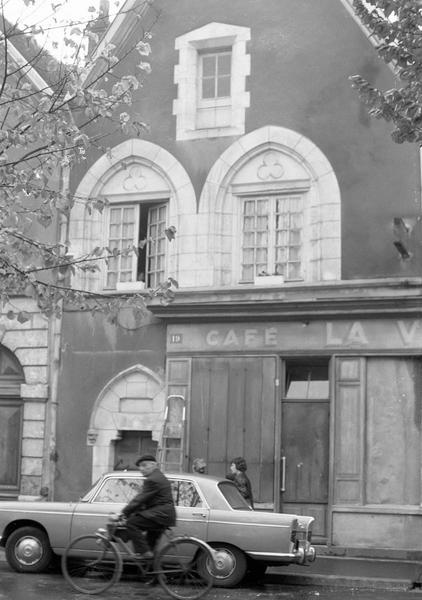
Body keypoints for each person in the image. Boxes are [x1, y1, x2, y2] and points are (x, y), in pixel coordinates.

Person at [121, 454, 176, 558]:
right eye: (140, 466)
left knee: (132, 523)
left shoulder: (152, 479)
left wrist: (124, 512)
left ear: (153, 465)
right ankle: (152, 569)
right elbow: (148, 500)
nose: (141, 469)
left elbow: (140, 499)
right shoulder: (159, 476)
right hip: (163, 515)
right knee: (150, 548)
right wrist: (134, 511)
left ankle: (143, 552)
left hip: (159, 515)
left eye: (144, 465)